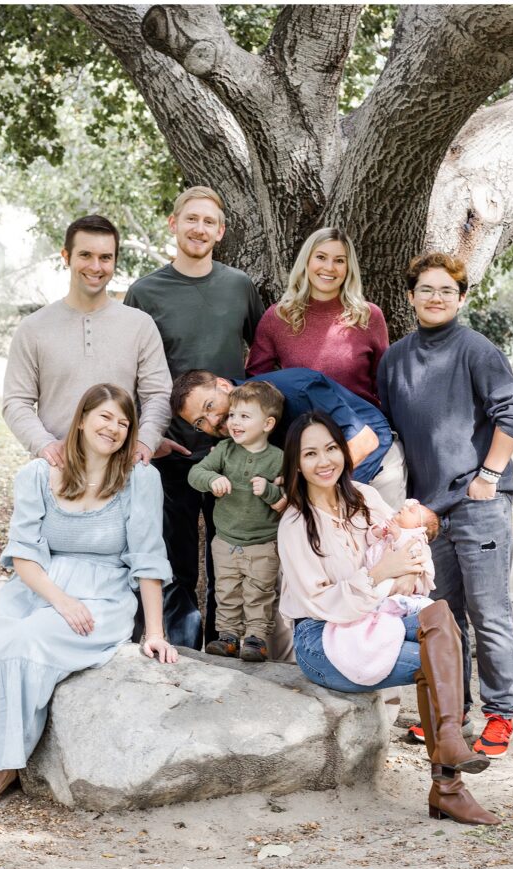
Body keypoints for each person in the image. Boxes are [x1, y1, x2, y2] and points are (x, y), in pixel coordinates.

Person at [0, 384, 177, 809]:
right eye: (105, 417)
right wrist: (60, 600)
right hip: (39, 587)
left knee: (28, 645)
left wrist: (155, 631)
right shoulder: (37, 475)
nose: (114, 428)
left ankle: (2, 764)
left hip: (104, 594)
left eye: (123, 423)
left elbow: (148, 558)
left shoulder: (140, 479)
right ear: (81, 420)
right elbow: (23, 554)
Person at [276, 411, 498, 825]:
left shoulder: (364, 497)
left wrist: (403, 572)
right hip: (324, 640)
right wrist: (381, 573)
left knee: (441, 615)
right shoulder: (296, 523)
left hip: (375, 616)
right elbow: (325, 602)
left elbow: (413, 557)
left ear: (343, 451)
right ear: (296, 463)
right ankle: (448, 786)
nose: (324, 461)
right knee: (438, 661)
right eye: (310, 453)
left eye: (330, 448)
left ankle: (449, 746)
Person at [377, 252, 513, 759]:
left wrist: (489, 476)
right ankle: (452, 712)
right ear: (410, 296)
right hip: (427, 514)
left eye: (447, 290)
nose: (436, 297)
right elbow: (390, 433)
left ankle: (500, 713)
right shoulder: (394, 358)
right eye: (427, 289)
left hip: (479, 502)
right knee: (442, 613)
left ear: (462, 297)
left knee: (489, 611)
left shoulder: (476, 349)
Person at [123, 186, 265, 650]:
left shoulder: (238, 286)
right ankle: (178, 647)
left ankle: (224, 645)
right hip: (172, 448)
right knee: (176, 554)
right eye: (191, 219)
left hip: (233, 450)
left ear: (219, 232)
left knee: (229, 553)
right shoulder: (146, 292)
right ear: (174, 223)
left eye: (209, 222)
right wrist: (151, 435)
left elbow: (263, 358)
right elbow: (131, 372)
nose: (199, 229)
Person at [3, 214, 172, 468]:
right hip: (56, 473)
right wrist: (44, 444)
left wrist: (146, 441)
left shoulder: (140, 325)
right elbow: (16, 401)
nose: (96, 266)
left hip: (121, 473)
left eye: (105, 257)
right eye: (85, 255)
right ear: (66, 256)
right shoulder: (33, 328)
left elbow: (158, 395)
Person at [169, 367, 404, 506]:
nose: (212, 421)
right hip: (320, 488)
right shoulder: (228, 430)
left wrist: (301, 488)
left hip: (375, 467)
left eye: (209, 406)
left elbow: (365, 442)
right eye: (200, 421)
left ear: (223, 385)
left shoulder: (297, 390)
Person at [188, 380, 284, 662]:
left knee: (259, 592)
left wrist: (268, 490)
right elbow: (196, 473)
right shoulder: (224, 450)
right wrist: (212, 478)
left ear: (267, 424)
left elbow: (288, 497)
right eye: (232, 415)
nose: (234, 422)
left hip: (261, 544)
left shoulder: (277, 458)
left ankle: (256, 639)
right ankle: (227, 637)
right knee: (226, 591)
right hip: (226, 540)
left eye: (244, 416)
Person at [246, 227, 388, 407]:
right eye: (321, 257)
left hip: (360, 426)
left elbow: (384, 384)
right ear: (306, 261)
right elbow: (255, 383)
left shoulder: (368, 316)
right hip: (303, 427)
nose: (329, 268)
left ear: (348, 267)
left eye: (339, 260)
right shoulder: (279, 316)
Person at [322, 499, 439, 688]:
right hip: (378, 573)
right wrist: (379, 531)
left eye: (410, 510)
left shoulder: (414, 536)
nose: (403, 507)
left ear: (418, 526)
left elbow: (414, 553)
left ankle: (405, 606)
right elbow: (369, 538)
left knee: (409, 604)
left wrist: (398, 534)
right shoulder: (389, 525)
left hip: (394, 579)